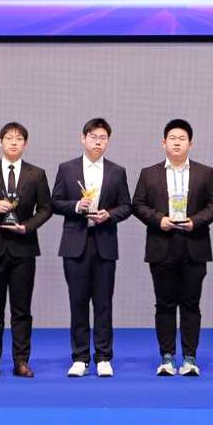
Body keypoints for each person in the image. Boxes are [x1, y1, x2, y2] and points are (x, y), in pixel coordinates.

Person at [132, 119, 213, 377]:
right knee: (164, 304)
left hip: (194, 246)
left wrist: (196, 221)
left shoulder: (205, 172)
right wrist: (158, 219)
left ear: (190, 144)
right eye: (172, 138)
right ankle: (167, 357)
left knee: (191, 304)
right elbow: (137, 204)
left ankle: (190, 358)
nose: (177, 143)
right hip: (161, 246)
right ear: (163, 143)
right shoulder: (149, 173)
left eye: (182, 138)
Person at [0, 122, 52, 378]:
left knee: (21, 309)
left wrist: (27, 227)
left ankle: (21, 361)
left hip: (24, 248)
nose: (13, 142)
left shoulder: (36, 174)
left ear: (25, 143)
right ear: (0, 142)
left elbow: (46, 208)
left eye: (18, 139)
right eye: (9, 138)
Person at [51, 118, 133, 378]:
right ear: (83, 138)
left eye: (103, 138)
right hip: (75, 243)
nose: (98, 142)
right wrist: (76, 206)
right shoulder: (67, 169)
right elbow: (55, 202)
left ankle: (104, 356)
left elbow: (126, 206)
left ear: (108, 141)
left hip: (104, 242)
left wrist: (110, 214)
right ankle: (80, 357)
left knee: (103, 303)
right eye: (93, 137)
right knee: (77, 302)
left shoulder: (117, 171)